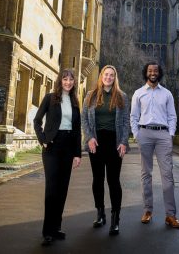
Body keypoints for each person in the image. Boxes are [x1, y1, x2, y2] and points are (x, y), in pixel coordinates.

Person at [130, 61, 179, 229]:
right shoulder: (138, 93)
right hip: (144, 133)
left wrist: (170, 135)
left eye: (155, 70)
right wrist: (137, 134)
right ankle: (147, 210)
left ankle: (171, 215)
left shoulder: (167, 94)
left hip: (162, 135)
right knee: (146, 174)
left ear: (159, 73)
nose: (152, 72)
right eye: (150, 70)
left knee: (167, 175)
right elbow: (133, 116)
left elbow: (172, 116)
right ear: (146, 73)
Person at [33, 69, 82, 246]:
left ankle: (56, 228)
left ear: (74, 82)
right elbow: (37, 121)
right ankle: (47, 231)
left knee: (63, 190)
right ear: (60, 81)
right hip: (52, 147)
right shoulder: (50, 98)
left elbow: (77, 130)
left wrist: (77, 154)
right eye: (65, 79)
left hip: (68, 147)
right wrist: (43, 139)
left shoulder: (76, 102)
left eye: (71, 80)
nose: (68, 82)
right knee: (52, 189)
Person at [81, 65, 130, 236]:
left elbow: (125, 122)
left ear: (115, 78)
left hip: (114, 142)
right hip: (97, 142)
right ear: (101, 76)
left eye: (112, 75)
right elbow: (84, 120)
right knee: (98, 179)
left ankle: (115, 219)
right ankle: (100, 213)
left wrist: (124, 142)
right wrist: (89, 138)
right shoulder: (91, 95)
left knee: (113, 180)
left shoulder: (122, 96)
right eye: (106, 74)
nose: (108, 77)